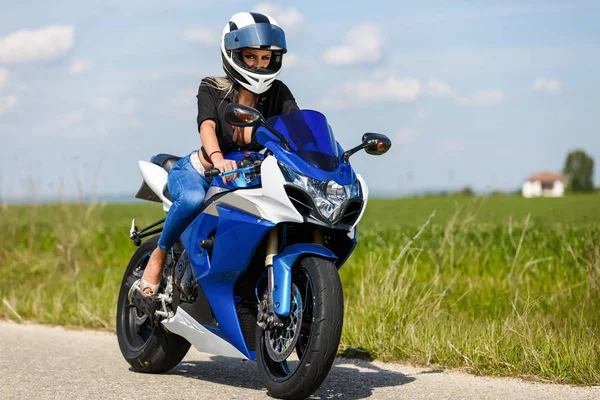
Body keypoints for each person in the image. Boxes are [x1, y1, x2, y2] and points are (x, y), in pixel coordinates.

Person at [131, 11, 299, 302]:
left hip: (246, 176)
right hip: (200, 169)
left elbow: (297, 127)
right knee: (193, 199)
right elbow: (207, 125)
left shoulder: (278, 93)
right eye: (251, 57)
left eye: (265, 58)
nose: (259, 64)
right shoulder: (212, 86)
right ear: (233, 54)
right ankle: (158, 256)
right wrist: (218, 157)